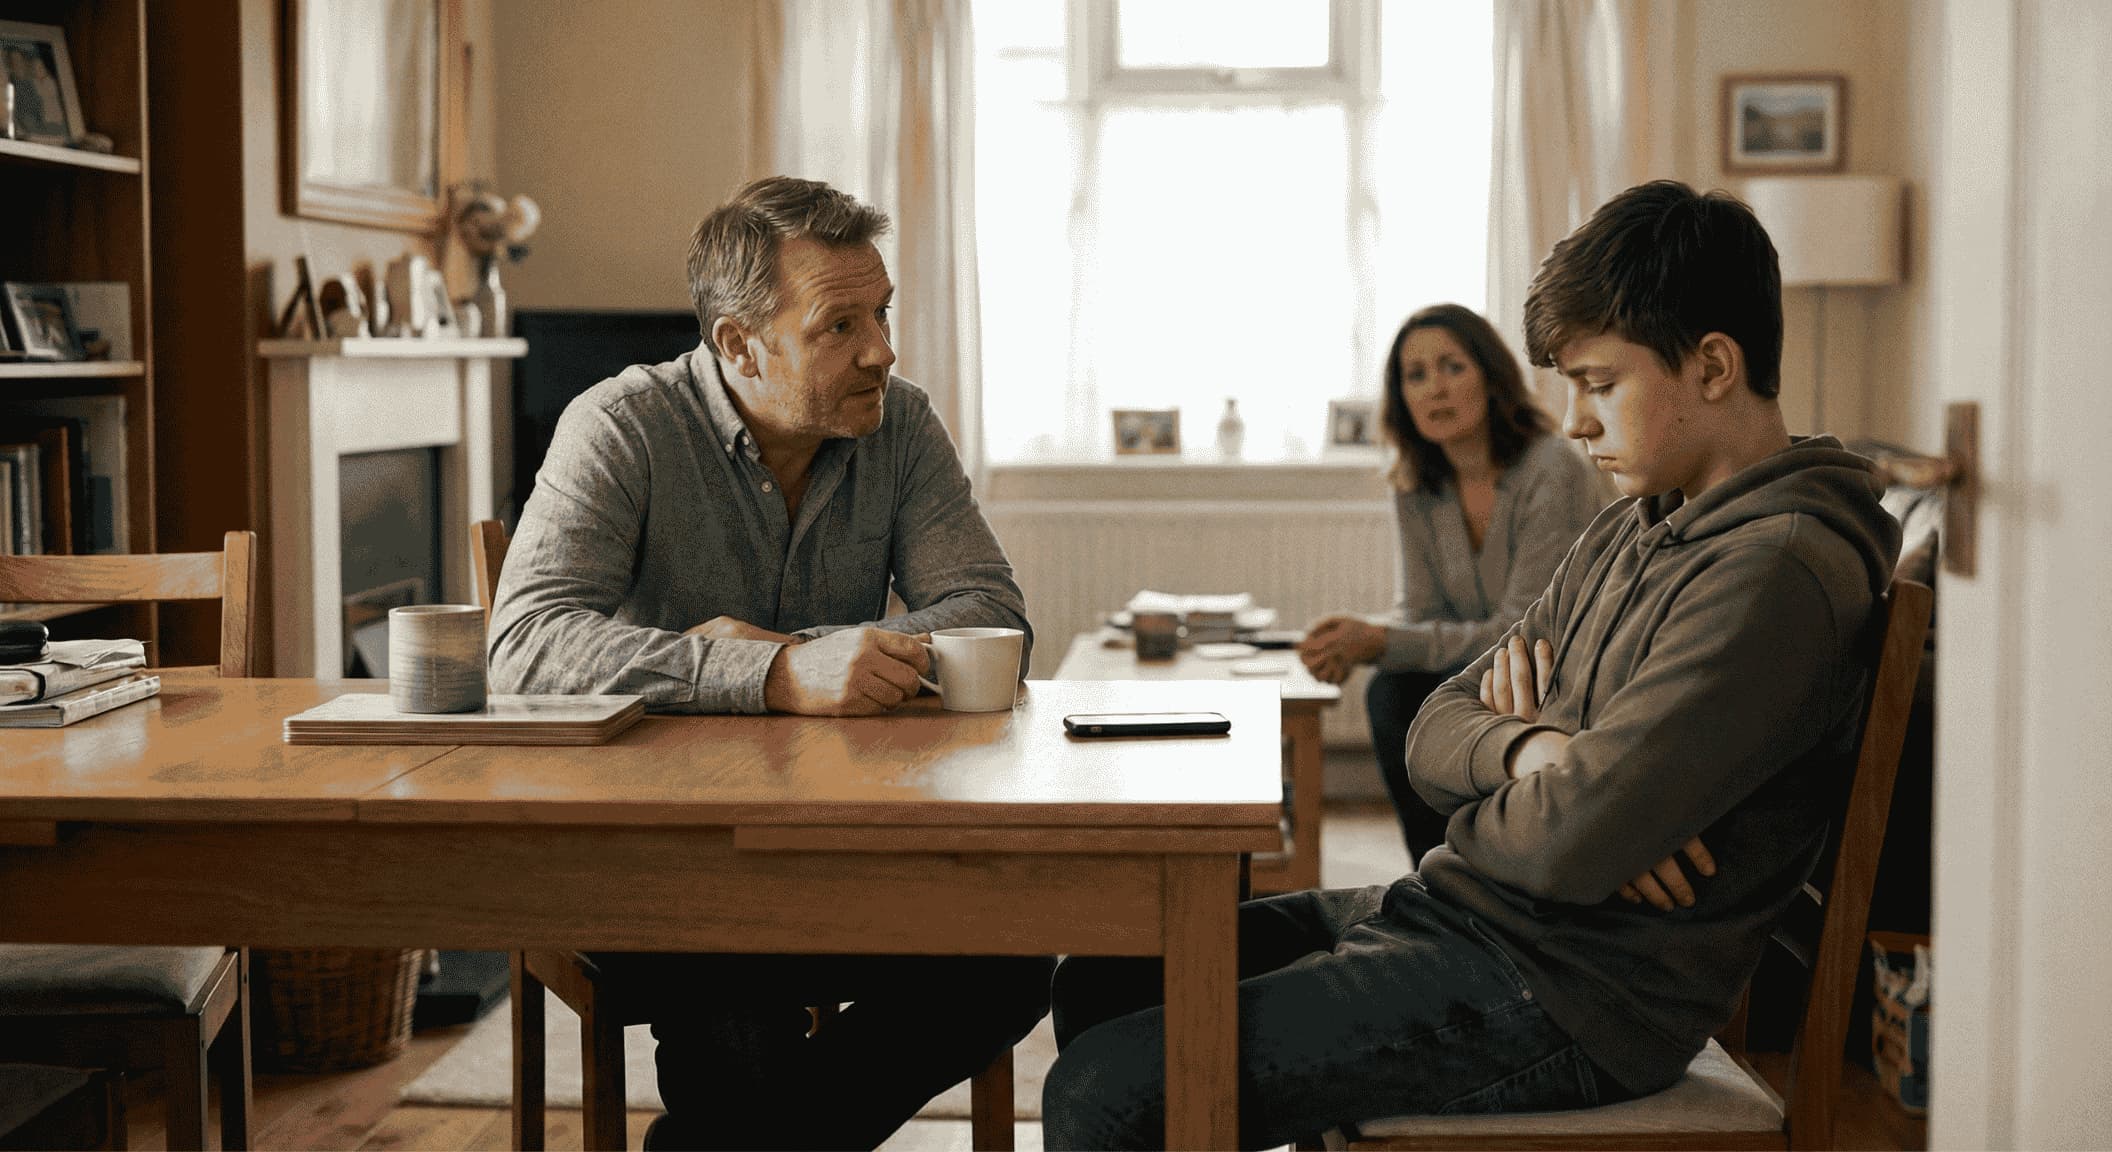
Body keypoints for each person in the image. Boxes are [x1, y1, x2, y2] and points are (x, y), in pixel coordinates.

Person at [1041, 179, 1900, 1150]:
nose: (1576, 421)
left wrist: (1565, 802)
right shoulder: (1630, 527)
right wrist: (1537, 751)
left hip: (1566, 991)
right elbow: (1434, 725)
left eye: (1599, 383)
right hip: (1471, 917)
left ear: (1712, 366)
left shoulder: (1775, 569)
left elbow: (1571, 841)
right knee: (1104, 979)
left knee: (1104, 1091)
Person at [486, 175, 1051, 1150]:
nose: (882, 350)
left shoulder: (901, 424)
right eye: (841, 326)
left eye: (881, 314)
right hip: (655, 855)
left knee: (1014, 951)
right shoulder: (620, 426)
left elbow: (992, 612)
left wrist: (801, 655)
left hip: (844, 836)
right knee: (737, 977)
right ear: (739, 345)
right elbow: (524, 645)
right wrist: (778, 678)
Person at [1298, 304, 1602, 866]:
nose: (1434, 388)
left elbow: (1522, 631)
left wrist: (1378, 642)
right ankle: (1435, 870)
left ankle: (1480, 869)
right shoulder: (1414, 481)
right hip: (1476, 668)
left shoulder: (1551, 468)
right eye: (1415, 375)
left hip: (1554, 668)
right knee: (1391, 690)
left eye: (1452, 367)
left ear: (1490, 376)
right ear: (1401, 398)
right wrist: (1356, 642)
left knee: (1414, 682)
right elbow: (1420, 615)